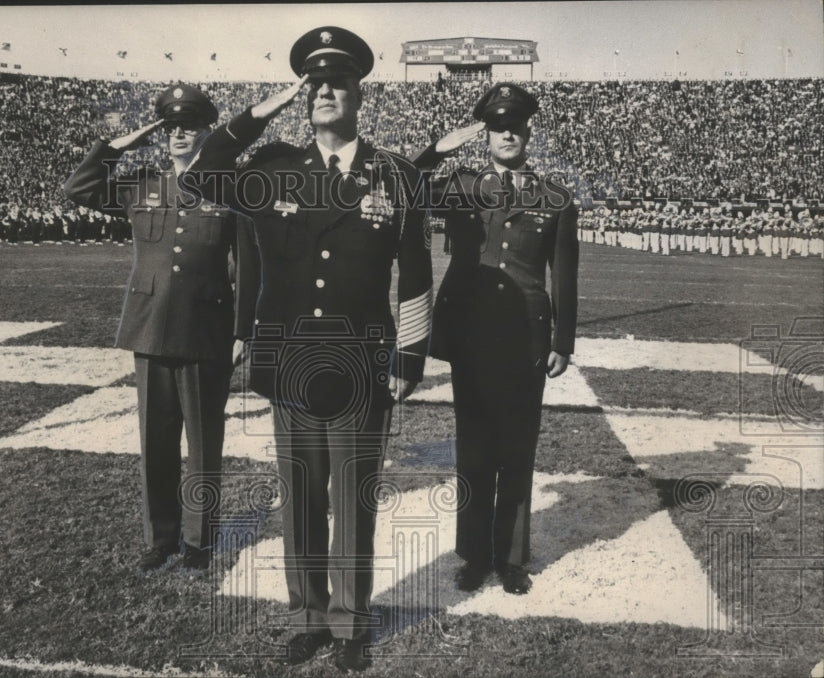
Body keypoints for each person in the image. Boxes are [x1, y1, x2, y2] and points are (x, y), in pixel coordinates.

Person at [185, 26, 432, 672]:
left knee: (352, 497)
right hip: (291, 360)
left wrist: (409, 358)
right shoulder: (272, 171)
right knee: (300, 497)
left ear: (358, 95)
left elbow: (416, 270)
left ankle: (349, 623)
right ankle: (307, 617)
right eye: (314, 85)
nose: (325, 92)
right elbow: (202, 173)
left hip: (360, 360)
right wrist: (257, 112)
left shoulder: (396, 174)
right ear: (302, 96)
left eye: (338, 84)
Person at [64, 83, 239, 575]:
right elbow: (78, 189)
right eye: (170, 126)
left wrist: (244, 329)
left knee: (205, 445)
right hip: (150, 331)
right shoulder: (143, 184)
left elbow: (247, 264)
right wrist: (120, 145)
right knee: (155, 444)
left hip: (207, 331)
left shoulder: (228, 188)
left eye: (189, 125)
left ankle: (199, 542)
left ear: (208, 132)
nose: (179, 133)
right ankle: (159, 539)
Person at [412, 82, 579, 596]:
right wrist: (437, 150)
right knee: (475, 449)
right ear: (485, 134)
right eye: (498, 126)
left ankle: (511, 558)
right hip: (472, 338)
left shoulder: (555, 198)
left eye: (516, 125)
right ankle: (474, 554)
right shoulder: (462, 186)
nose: (508, 133)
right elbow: (406, 189)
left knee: (517, 448)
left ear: (528, 130)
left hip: (527, 340)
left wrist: (563, 342)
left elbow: (564, 276)